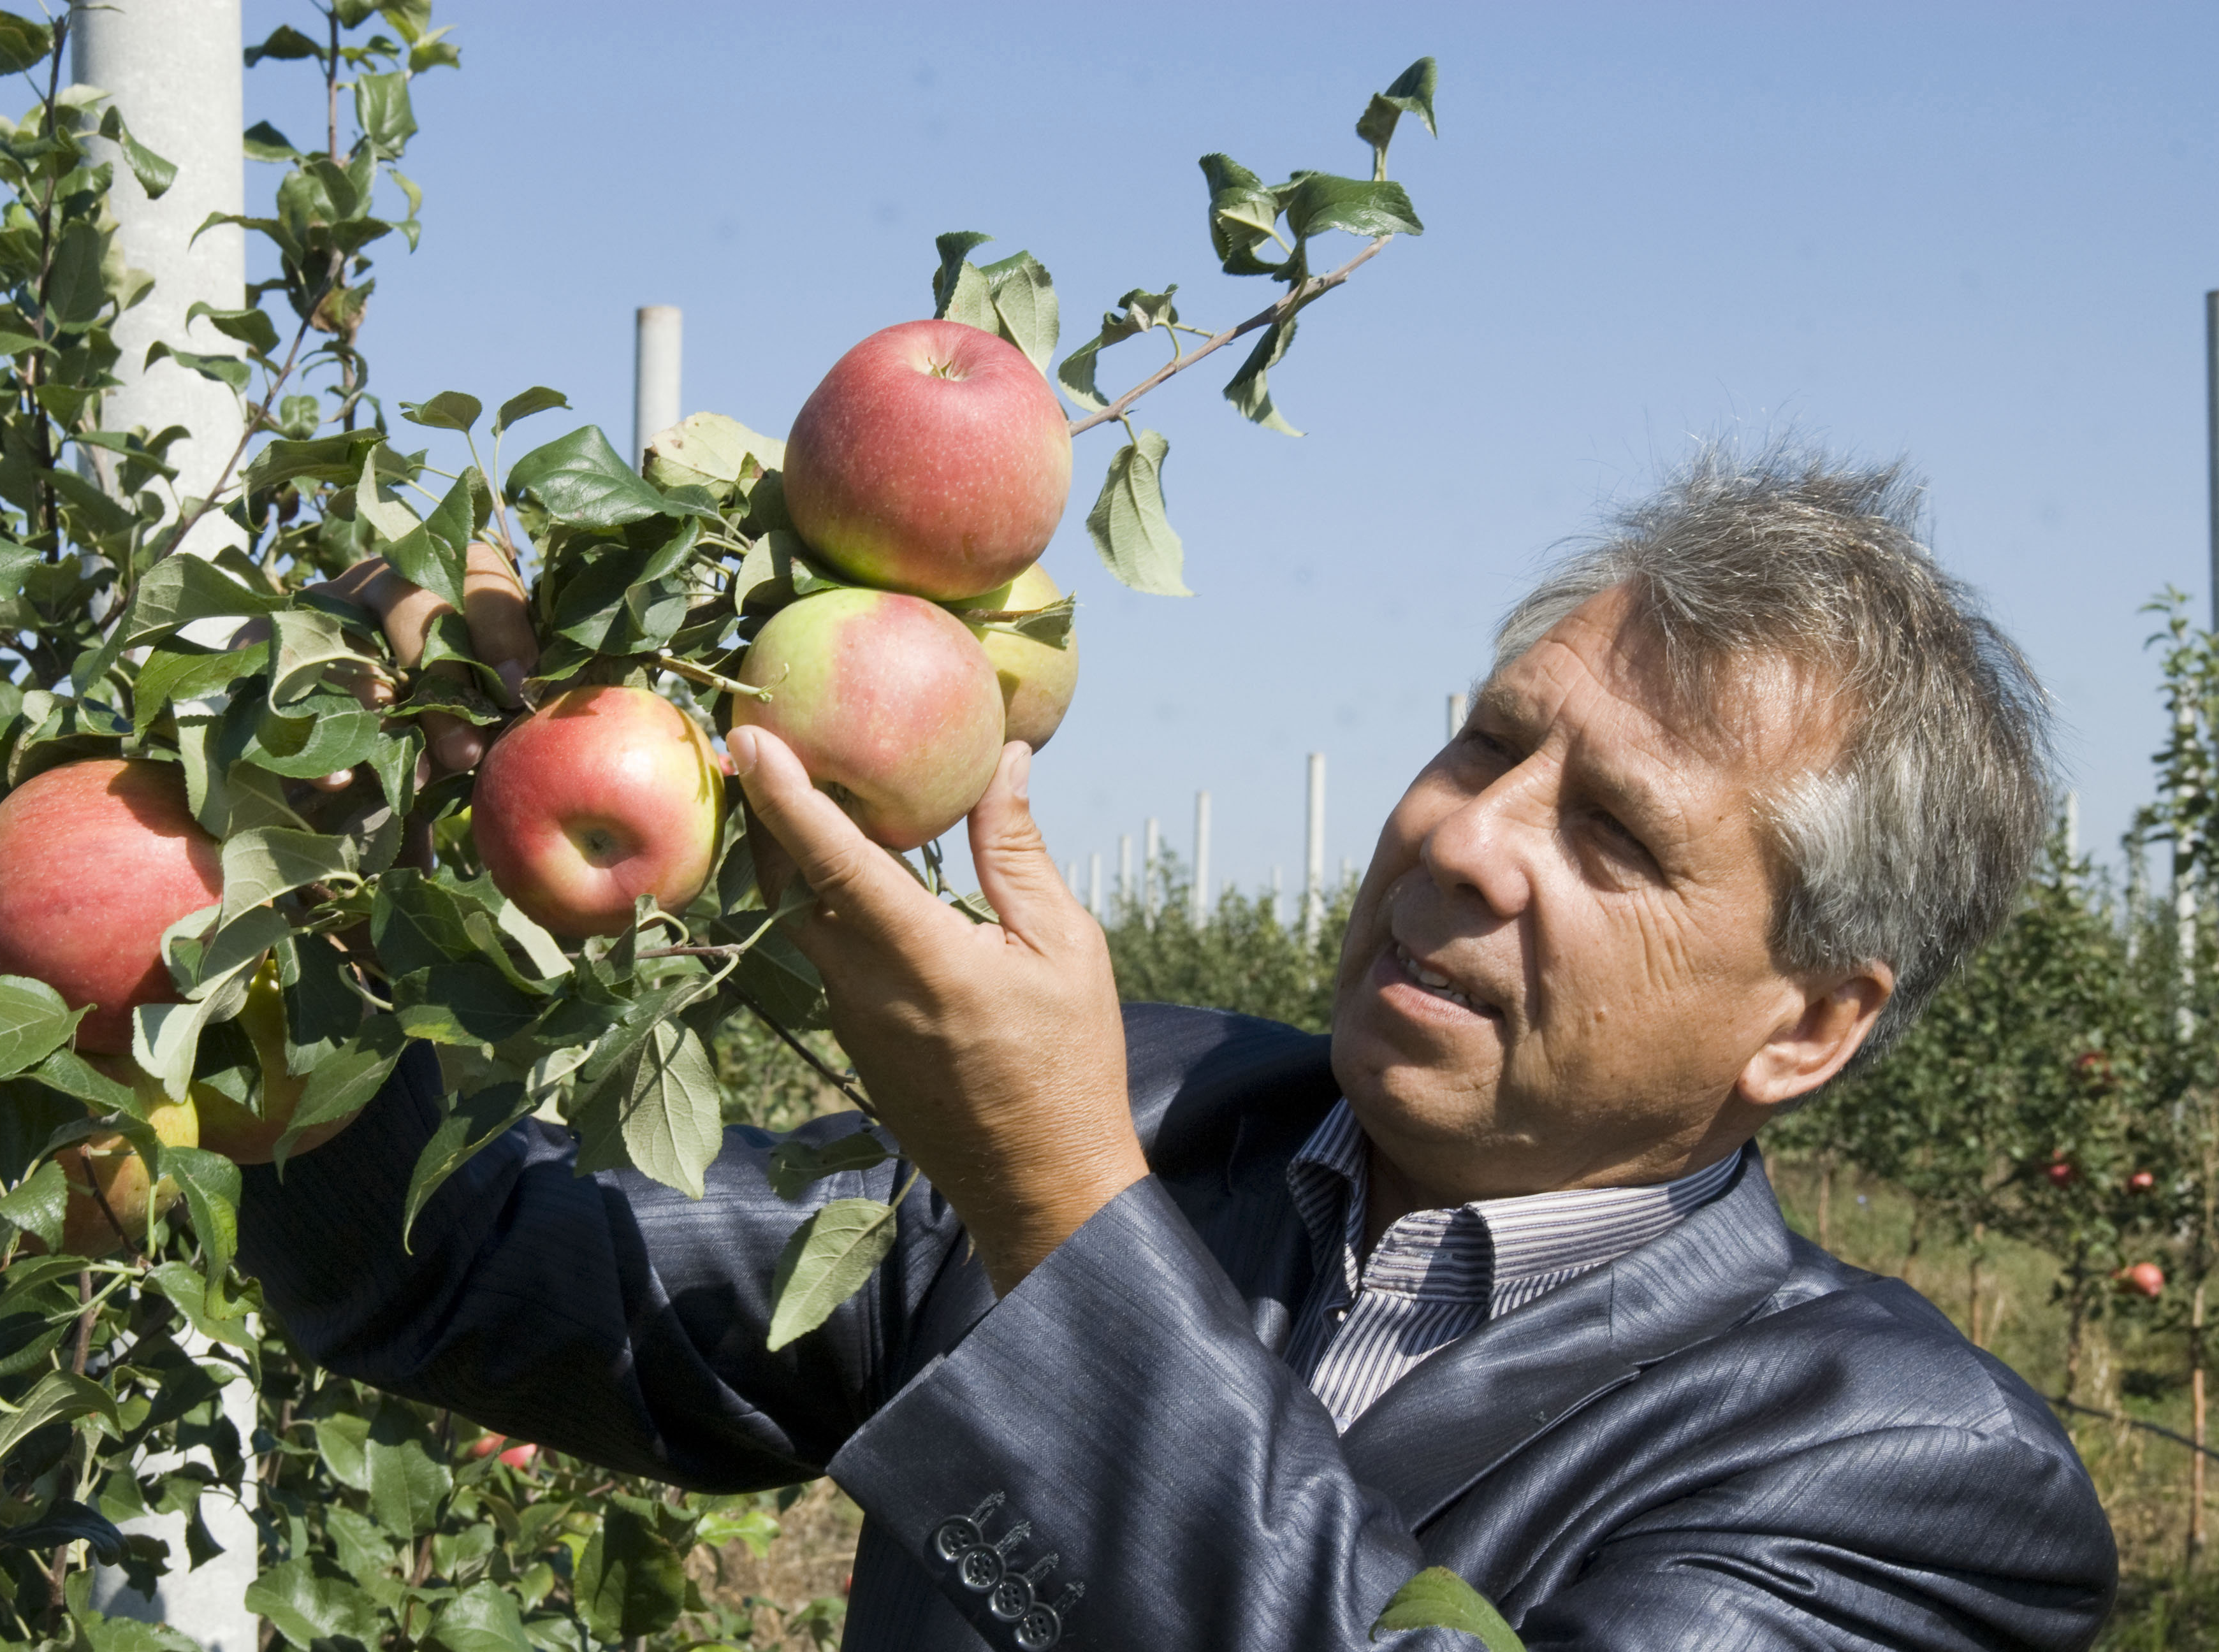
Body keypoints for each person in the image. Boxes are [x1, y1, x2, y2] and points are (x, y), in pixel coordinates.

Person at [240, 446, 2118, 1649]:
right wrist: (340, 848)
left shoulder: (1914, 1481)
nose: (1462, 837)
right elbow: (455, 1271)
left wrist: (1059, 1205)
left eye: (1613, 836)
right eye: (1484, 746)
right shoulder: (1153, 1101)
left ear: (1811, 1022)